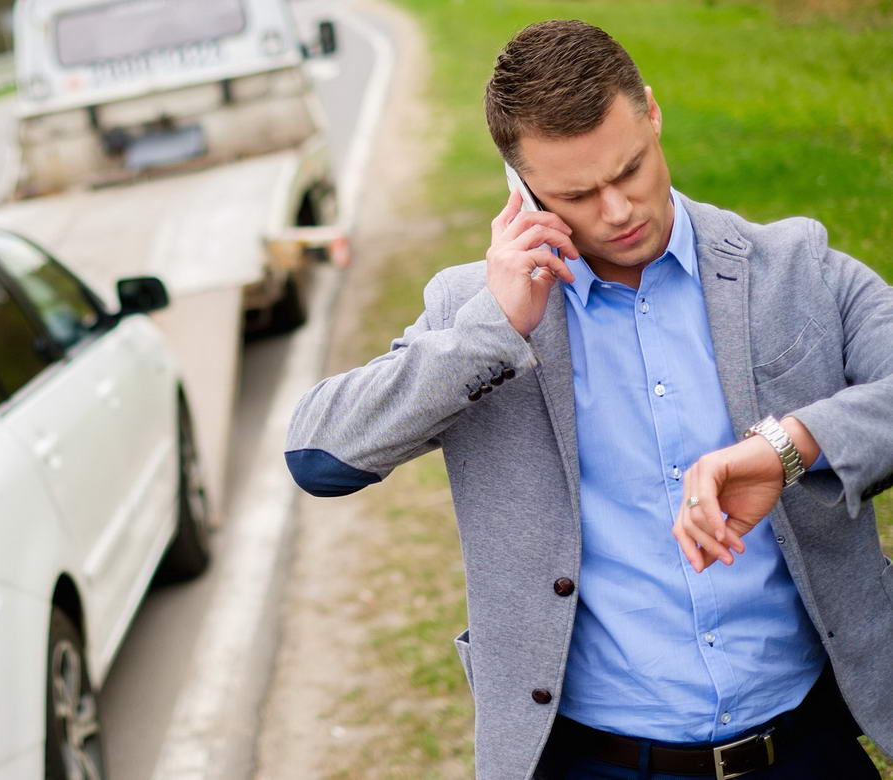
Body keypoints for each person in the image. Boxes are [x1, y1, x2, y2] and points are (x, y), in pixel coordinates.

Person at [284, 19, 893, 780]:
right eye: (576, 193)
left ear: (652, 113)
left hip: (807, 751)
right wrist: (491, 331)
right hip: (595, 762)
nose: (616, 211)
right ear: (522, 185)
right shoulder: (473, 314)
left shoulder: (792, 265)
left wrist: (792, 444)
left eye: (631, 170)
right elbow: (316, 454)